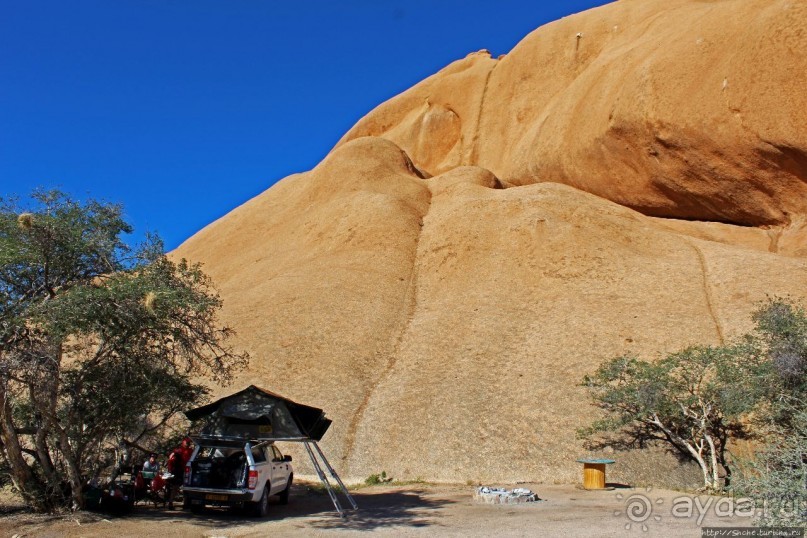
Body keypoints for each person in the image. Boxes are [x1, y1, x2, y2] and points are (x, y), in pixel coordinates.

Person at [166, 437, 194, 509]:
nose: (187, 444)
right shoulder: (178, 451)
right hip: (179, 471)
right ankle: (171, 502)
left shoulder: (190, 451)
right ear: (183, 442)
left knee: (186, 488)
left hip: (187, 471)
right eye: (186, 442)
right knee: (176, 487)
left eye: (188, 442)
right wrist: (170, 469)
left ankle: (185, 503)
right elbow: (170, 459)